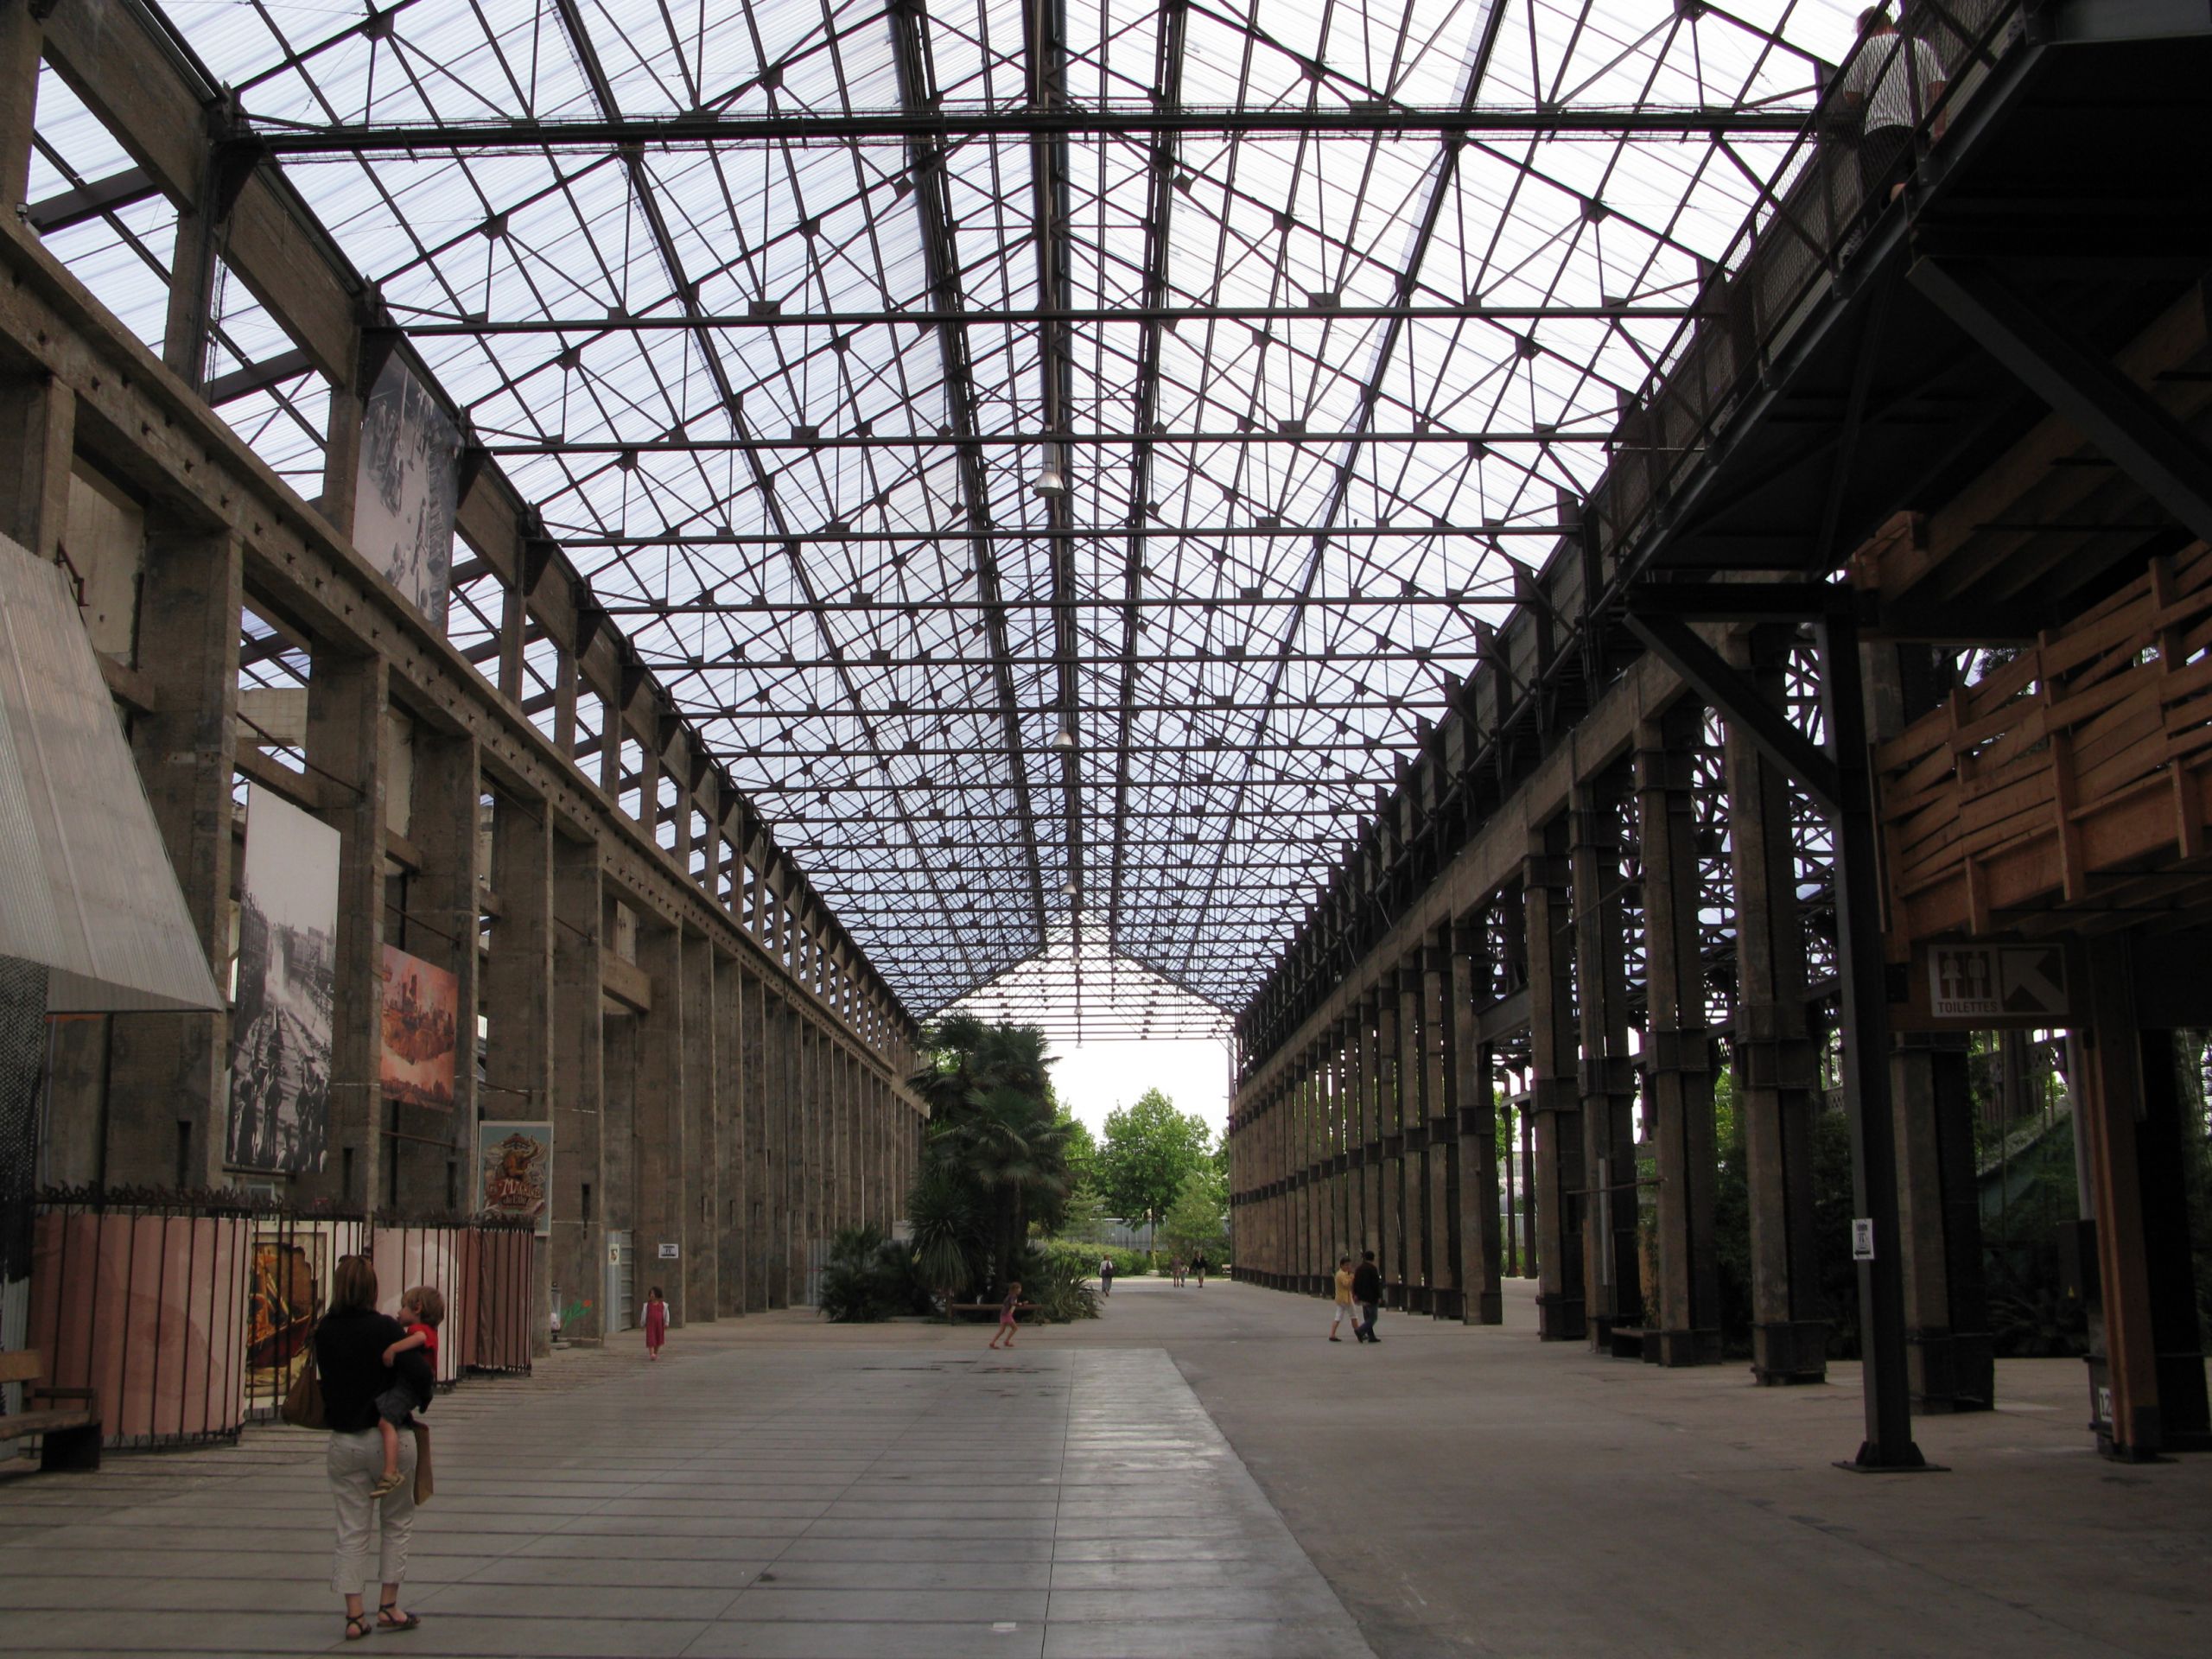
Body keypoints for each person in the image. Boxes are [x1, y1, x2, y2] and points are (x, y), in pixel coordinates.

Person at [314, 1254, 421, 1642]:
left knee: (350, 1529)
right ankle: (389, 1605)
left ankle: (354, 1615)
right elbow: (420, 1375)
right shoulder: (385, 1329)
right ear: (373, 1288)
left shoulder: (324, 1331)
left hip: (344, 1441)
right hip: (390, 1438)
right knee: (396, 1523)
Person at [1840, 8, 1946, 212]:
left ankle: (1909, 219)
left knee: (1894, 183)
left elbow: (1851, 96)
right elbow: (1938, 87)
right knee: (1919, 176)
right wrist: (1939, 129)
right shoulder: (1919, 45)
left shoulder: (1867, 47)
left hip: (1880, 130)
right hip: (1915, 128)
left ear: (1866, 29)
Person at [367, 1285, 442, 1499]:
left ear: (417, 1308)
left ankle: (390, 1471)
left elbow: (418, 1340)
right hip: (412, 1386)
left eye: (403, 1307)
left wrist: (393, 1348)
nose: (399, 1312)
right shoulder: (426, 1331)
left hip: (409, 1387)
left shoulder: (420, 1331)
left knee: (386, 1421)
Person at [1351, 1249, 1382, 1344]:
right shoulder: (1373, 1269)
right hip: (1371, 1297)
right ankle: (1360, 1330)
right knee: (1373, 1318)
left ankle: (1371, 1336)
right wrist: (1379, 1296)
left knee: (1367, 1317)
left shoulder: (1359, 1269)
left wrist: (1355, 1294)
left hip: (1362, 1297)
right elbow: (1375, 1284)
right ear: (1373, 1258)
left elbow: (1355, 1282)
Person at [988, 1281, 1024, 1350]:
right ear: (1015, 1289)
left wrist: (1019, 1304)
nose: (1020, 1290)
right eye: (1019, 1288)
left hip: (1003, 1314)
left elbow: (1008, 1304)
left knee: (1002, 1330)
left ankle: (993, 1342)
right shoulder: (1013, 1296)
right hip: (1007, 1315)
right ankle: (1006, 1341)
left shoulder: (1009, 1295)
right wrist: (1020, 1304)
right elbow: (1012, 1303)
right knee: (1015, 1328)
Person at [1330, 1255, 1355, 1342]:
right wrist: (1351, 1277)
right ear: (1342, 1265)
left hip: (1341, 1298)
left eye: (1349, 1265)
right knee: (1353, 1315)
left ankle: (1332, 1334)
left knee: (1338, 1316)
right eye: (1346, 1265)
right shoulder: (1342, 1274)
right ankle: (1360, 1332)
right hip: (1345, 1298)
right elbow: (1346, 1284)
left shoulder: (1340, 1273)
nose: (1348, 1267)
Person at [644, 1286, 669, 1360]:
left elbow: (666, 1314)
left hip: (659, 1325)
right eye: (651, 1293)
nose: (651, 1295)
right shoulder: (647, 1305)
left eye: (653, 1293)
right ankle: (651, 1354)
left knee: (658, 1339)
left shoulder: (663, 1305)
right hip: (650, 1325)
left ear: (658, 1295)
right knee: (651, 1338)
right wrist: (643, 1323)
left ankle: (655, 1352)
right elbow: (644, 1314)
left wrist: (666, 1322)